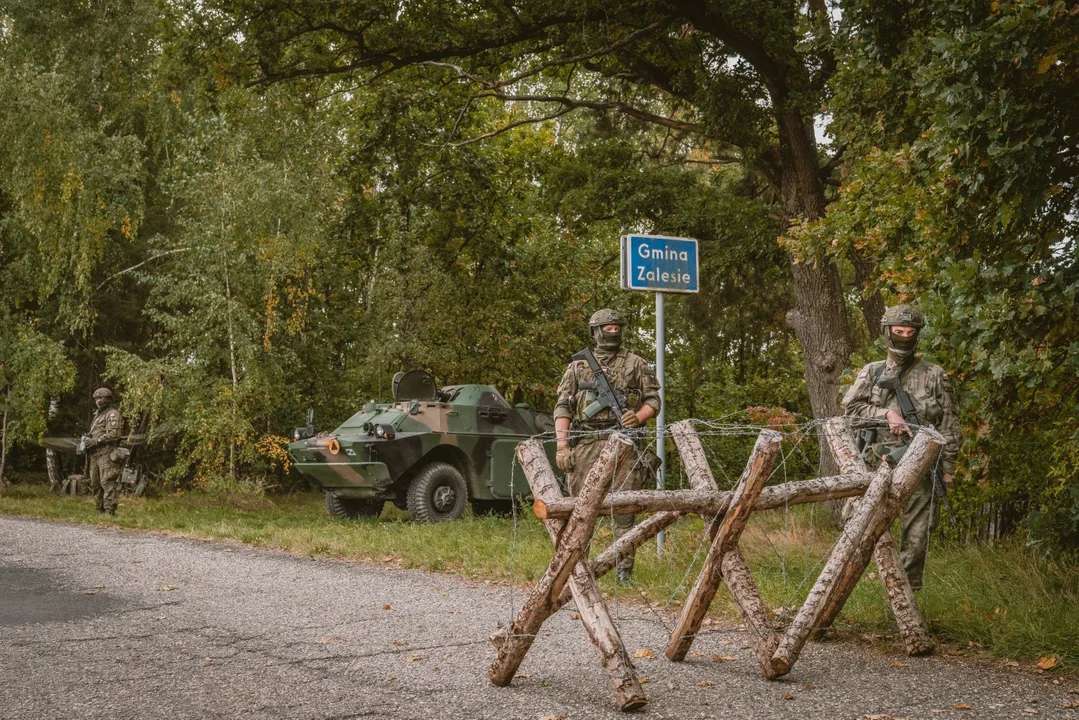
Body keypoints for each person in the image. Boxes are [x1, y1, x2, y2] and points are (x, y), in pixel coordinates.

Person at [842, 305, 962, 590]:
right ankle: (850, 583)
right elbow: (850, 412)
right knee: (857, 522)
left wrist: (948, 467)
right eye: (899, 332)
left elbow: (950, 423)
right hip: (874, 461)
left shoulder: (934, 375)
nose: (905, 337)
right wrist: (886, 415)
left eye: (911, 333)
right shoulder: (872, 372)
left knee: (919, 532)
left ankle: (906, 592)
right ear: (887, 332)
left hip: (921, 465)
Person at [553, 308, 661, 585]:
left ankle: (624, 572)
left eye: (617, 327)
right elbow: (563, 407)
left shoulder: (636, 364)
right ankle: (577, 569)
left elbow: (653, 402)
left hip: (624, 442)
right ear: (595, 331)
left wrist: (636, 417)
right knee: (580, 511)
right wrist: (562, 447)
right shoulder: (578, 367)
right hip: (586, 442)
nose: (613, 331)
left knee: (624, 511)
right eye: (607, 327)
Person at [85, 387, 124, 516]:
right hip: (94, 454)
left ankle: (109, 511)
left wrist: (97, 440)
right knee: (95, 484)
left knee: (107, 482)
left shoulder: (112, 414)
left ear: (107, 399)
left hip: (106, 454)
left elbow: (115, 434)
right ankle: (99, 510)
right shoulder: (98, 415)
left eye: (100, 398)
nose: (98, 401)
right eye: (96, 398)